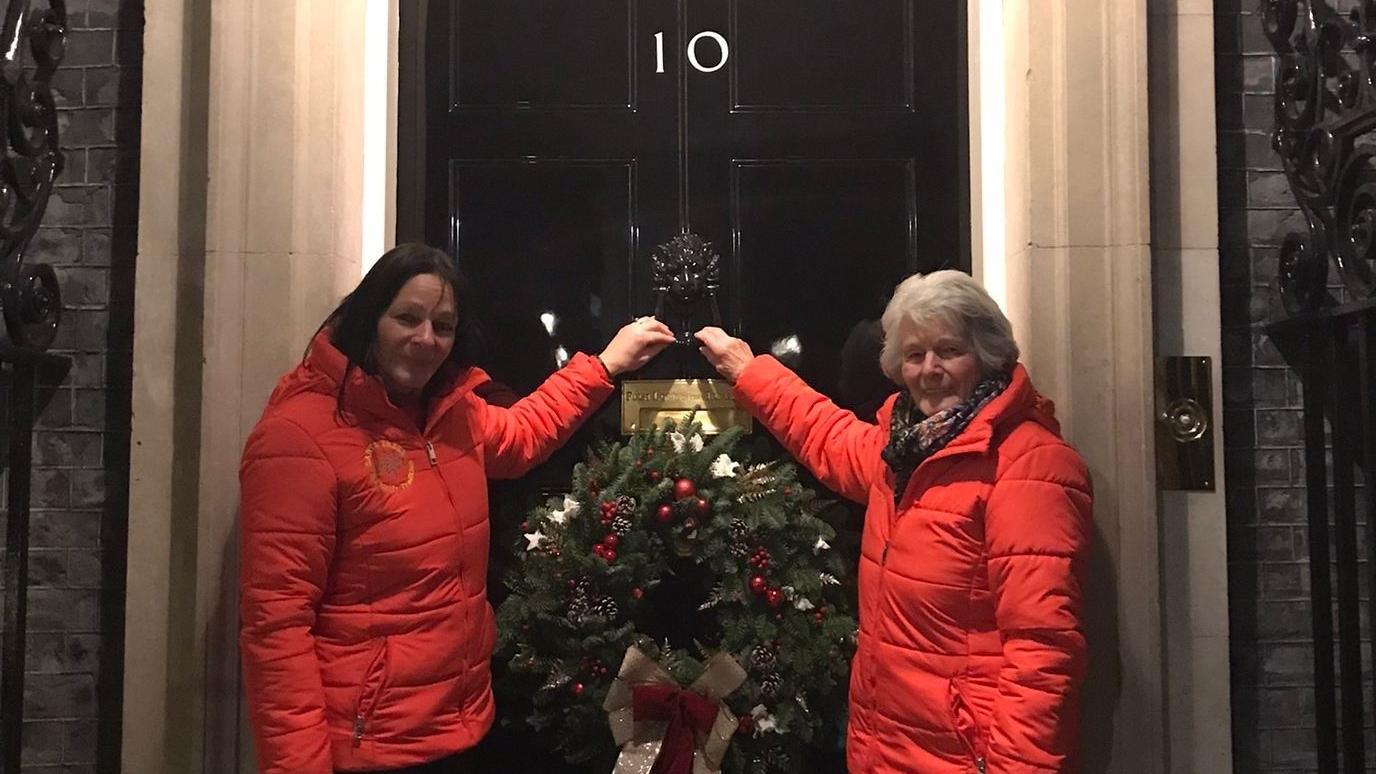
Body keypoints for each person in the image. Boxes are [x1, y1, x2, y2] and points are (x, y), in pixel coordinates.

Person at [238, 243, 674, 774]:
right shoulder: (300, 436)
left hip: (460, 729)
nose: (426, 339)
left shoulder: (453, 415)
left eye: (442, 326)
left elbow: (521, 434)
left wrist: (606, 365)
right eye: (407, 318)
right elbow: (277, 627)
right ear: (367, 318)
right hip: (367, 748)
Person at [695, 269, 1092, 773]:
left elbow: (1043, 654)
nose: (929, 370)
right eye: (914, 355)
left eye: (948, 351)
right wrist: (748, 370)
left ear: (987, 353)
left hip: (964, 758)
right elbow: (828, 436)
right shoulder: (901, 452)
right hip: (886, 747)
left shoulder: (1030, 467)